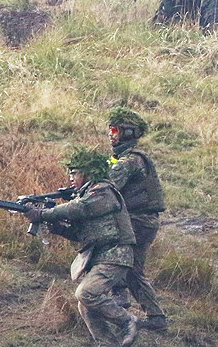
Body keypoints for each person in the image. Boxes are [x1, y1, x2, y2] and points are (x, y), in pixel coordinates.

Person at [25, 145, 139, 347]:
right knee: (85, 304)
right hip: (100, 256)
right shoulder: (87, 194)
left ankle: (127, 320)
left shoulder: (102, 191)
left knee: (85, 293)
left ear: (89, 173)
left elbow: (79, 208)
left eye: (75, 172)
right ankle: (107, 343)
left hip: (115, 255)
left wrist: (42, 214)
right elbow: (80, 233)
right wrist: (59, 229)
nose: (71, 176)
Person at [106, 107, 167, 332]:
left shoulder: (130, 161)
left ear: (128, 133)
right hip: (142, 221)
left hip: (137, 221)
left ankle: (117, 296)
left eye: (115, 130)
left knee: (107, 253)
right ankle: (156, 318)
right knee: (134, 270)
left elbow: (107, 188)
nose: (111, 135)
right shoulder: (125, 158)